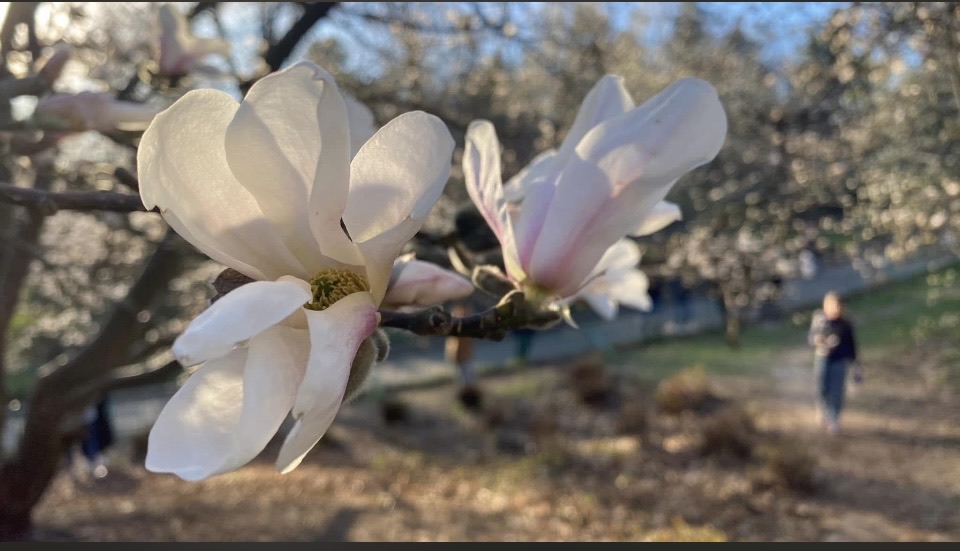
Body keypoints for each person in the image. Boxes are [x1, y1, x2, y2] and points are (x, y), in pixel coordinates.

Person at [808, 292, 862, 435]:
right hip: (823, 358)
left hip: (840, 361)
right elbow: (811, 337)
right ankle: (822, 409)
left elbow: (852, 345)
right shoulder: (820, 321)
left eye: (838, 306)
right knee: (821, 387)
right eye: (832, 305)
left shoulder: (846, 324)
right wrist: (819, 341)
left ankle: (834, 419)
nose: (835, 309)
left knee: (836, 391)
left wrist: (856, 366)